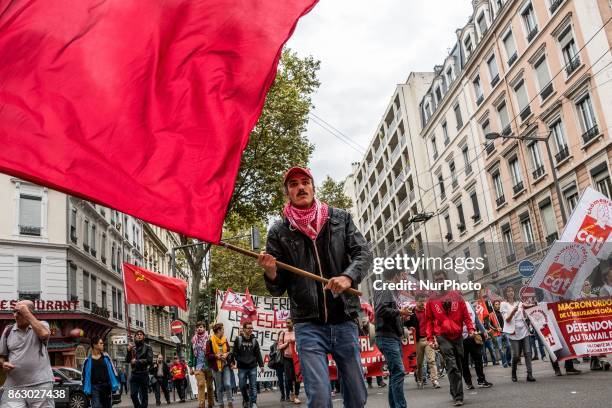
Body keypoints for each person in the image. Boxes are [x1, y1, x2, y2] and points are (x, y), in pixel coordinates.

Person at [258, 167, 370, 408]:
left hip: (344, 318)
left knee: (358, 396)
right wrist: (270, 271)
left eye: (305, 182)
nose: (300, 187)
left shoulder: (340, 218)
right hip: (308, 325)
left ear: (313, 187)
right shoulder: (278, 231)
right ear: (287, 192)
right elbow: (277, 288)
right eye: (293, 184)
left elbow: (363, 252)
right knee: (319, 398)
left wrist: (348, 277)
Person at [425, 270, 475, 407]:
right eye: (436, 280)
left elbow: (466, 315)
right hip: (442, 336)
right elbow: (429, 320)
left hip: (457, 335)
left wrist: (471, 329)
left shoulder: (456, 295)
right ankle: (458, 397)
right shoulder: (431, 300)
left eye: (441, 279)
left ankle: (454, 391)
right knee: (452, 365)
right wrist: (430, 338)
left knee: (458, 364)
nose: (439, 282)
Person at [0, 300, 54, 408]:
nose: (15, 315)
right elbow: (1, 356)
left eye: (19, 312)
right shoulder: (8, 331)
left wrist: (26, 312)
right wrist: (3, 364)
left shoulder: (42, 325)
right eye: (14, 311)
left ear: (29, 313)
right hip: (13, 387)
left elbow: (44, 334)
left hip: (40, 384)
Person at [374, 267, 412, 408]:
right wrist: (399, 312)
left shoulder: (391, 290)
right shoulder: (386, 287)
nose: (404, 279)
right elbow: (380, 310)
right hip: (387, 337)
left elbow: (389, 312)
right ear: (395, 276)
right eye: (402, 276)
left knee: (395, 373)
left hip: (392, 336)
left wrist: (401, 316)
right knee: (398, 372)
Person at [500, 286, 535, 383]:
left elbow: (528, 307)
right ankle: (513, 372)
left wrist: (533, 304)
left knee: (528, 352)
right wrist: (512, 312)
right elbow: (506, 320)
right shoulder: (503, 304)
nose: (510, 292)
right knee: (516, 355)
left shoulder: (519, 303)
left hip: (524, 330)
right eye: (508, 291)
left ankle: (530, 374)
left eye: (512, 291)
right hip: (513, 332)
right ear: (505, 293)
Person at [461, 303, 492, 390]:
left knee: (478, 358)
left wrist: (484, 331)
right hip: (460, 339)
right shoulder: (453, 306)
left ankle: (481, 380)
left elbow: (476, 319)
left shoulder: (468, 304)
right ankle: (468, 383)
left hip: (473, 336)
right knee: (464, 362)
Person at [233, 322, 264, 408]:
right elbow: (234, 352)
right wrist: (238, 360)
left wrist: (261, 365)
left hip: (252, 367)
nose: (250, 330)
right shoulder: (238, 340)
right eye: (248, 328)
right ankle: (246, 400)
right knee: (242, 386)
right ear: (244, 329)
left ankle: (253, 402)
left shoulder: (254, 341)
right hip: (242, 367)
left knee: (253, 386)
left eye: (251, 328)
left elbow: (258, 353)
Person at [83, 336, 120, 408]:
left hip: (106, 386)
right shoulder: (87, 360)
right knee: (96, 406)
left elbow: (113, 370)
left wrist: (115, 384)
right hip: (95, 387)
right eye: (101, 343)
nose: (103, 344)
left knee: (107, 406)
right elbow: (84, 375)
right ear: (94, 345)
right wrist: (86, 389)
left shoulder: (106, 357)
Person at [412, 293, 440, 389]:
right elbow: (406, 325)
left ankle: (434, 380)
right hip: (418, 341)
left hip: (428, 339)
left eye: (424, 301)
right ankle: (420, 379)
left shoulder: (428, 311)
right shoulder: (411, 312)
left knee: (431, 361)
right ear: (416, 301)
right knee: (419, 363)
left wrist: (435, 338)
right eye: (420, 301)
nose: (422, 303)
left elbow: (434, 324)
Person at [206, 323, 233, 407]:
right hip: (216, 367)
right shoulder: (210, 341)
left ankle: (230, 402)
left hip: (225, 365)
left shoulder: (225, 339)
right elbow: (207, 355)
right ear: (218, 331)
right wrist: (216, 356)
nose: (224, 331)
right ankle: (221, 403)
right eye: (222, 330)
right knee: (219, 386)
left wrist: (226, 354)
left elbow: (229, 350)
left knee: (228, 384)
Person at [189, 321, 215, 408]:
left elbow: (213, 351)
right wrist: (190, 367)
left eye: (201, 327)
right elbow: (191, 354)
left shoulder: (209, 338)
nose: (199, 328)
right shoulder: (193, 340)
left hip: (209, 365)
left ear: (204, 328)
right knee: (200, 385)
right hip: (198, 366)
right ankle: (201, 405)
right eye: (198, 327)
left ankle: (210, 403)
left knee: (210, 386)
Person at [128, 329, 154, 408]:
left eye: (141, 334)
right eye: (137, 334)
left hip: (143, 373)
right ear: (135, 337)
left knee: (144, 395)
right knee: (133, 394)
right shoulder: (133, 348)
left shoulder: (148, 347)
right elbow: (128, 360)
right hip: (134, 374)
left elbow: (149, 360)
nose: (139, 335)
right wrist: (128, 351)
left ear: (143, 337)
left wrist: (137, 361)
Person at [278, 319, 301, 405]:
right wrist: (287, 344)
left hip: (296, 358)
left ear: (293, 323)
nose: (287, 324)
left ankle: (296, 395)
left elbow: (301, 343)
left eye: (289, 323)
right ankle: (291, 393)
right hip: (287, 358)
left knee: (297, 377)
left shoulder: (297, 332)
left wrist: (295, 342)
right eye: (286, 323)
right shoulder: (283, 333)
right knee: (288, 378)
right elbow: (279, 346)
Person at [490, 300, 511, 368]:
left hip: (505, 331)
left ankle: (509, 360)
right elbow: (489, 325)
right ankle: (504, 362)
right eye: (496, 304)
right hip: (498, 334)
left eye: (498, 304)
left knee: (509, 346)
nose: (497, 306)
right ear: (493, 306)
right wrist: (496, 329)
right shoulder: (492, 314)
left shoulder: (503, 312)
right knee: (501, 349)